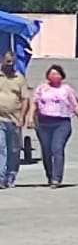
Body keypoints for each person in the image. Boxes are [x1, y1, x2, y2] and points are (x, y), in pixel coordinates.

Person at [30, 64, 78, 189]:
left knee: (57, 148)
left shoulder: (67, 89)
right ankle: (50, 175)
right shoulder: (42, 88)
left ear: (62, 76)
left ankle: (57, 178)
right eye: (51, 73)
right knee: (46, 151)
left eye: (56, 73)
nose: (54, 76)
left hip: (61, 123)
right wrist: (30, 119)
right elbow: (34, 104)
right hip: (44, 123)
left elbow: (75, 106)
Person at [0, 51, 28, 189]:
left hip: (14, 120)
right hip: (0, 119)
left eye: (11, 62)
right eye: (7, 61)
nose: (8, 64)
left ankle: (11, 174)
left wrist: (22, 117)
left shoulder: (19, 79)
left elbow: (25, 99)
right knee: (1, 148)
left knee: (14, 149)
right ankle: (1, 177)